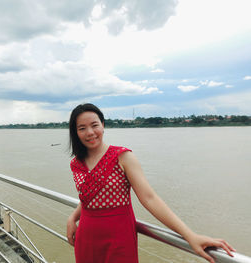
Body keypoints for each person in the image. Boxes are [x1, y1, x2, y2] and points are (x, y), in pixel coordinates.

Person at [66, 103, 235, 263]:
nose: (90, 132)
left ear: (103, 125)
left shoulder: (122, 157)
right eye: (82, 128)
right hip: (86, 236)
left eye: (94, 125)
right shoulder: (77, 163)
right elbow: (89, 197)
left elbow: (149, 198)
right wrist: (73, 218)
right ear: (76, 132)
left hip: (118, 236)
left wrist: (190, 235)